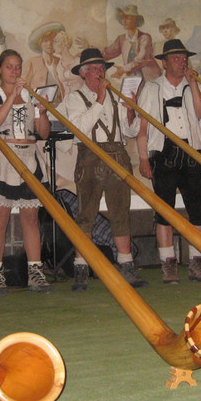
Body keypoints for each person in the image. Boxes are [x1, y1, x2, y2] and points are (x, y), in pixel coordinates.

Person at [63, 48, 146, 291]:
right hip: (90, 157)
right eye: (94, 69)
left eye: (102, 68)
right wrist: (100, 98)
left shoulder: (114, 95)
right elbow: (80, 129)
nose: (100, 73)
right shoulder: (73, 98)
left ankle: (126, 264)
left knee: (121, 212)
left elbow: (129, 132)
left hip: (118, 155)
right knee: (86, 214)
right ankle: (81, 268)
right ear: (83, 73)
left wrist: (130, 110)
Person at [0, 49, 52, 294]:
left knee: (30, 218)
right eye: (9, 66)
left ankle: (35, 272)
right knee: (1, 217)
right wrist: (12, 97)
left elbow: (43, 133)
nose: (15, 71)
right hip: (3, 157)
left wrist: (42, 113)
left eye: (18, 66)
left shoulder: (29, 94)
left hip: (29, 156)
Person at [137, 39, 201, 284]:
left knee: (198, 210)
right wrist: (143, 158)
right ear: (165, 63)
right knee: (165, 211)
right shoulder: (152, 88)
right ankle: (168, 263)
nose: (182, 62)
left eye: (184, 58)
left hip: (191, 152)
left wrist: (194, 84)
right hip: (164, 152)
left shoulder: (194, 86)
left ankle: (197, 262)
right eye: (177, 58)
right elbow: (142, 128)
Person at [103, 4, 161, 82]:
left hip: (150, 78)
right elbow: (108, 52)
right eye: (123, 18)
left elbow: (141, 59)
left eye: (127, 18)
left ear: (135, 20)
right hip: (133, 79)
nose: (124, 21)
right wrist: (90, 50)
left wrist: (123, 69)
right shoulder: (121, 39)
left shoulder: (145, 37)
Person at [22, 21, 65, 102]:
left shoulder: (60, 62)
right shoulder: (32, 63)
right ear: (40, 44)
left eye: (52, 41)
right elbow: (23, 88)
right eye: (45, 41)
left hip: (60, 105)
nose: (49, 44)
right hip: (38, 106)